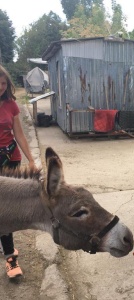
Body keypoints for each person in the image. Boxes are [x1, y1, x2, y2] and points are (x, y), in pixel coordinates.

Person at [0, 64, 36, 278]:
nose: (1, 87)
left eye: (4, 83)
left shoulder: (11, 105)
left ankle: (11, 260)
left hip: (10, 161)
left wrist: (31, 160)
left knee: (5, 209)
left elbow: (19, 135)